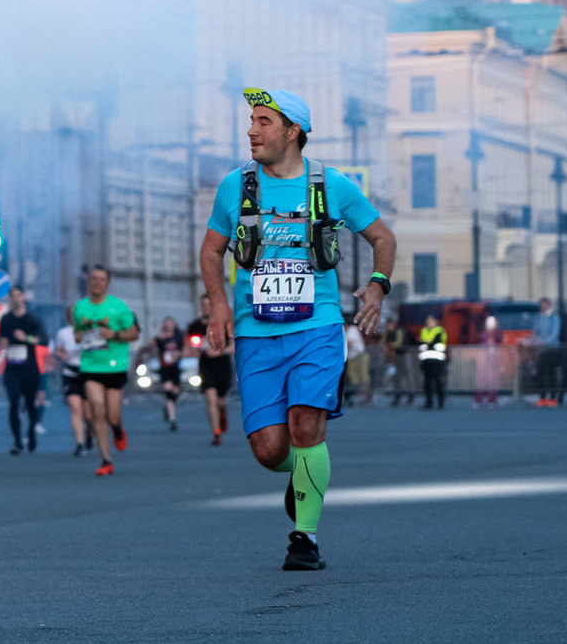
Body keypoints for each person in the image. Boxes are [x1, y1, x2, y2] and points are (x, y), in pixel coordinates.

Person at [198, 86, 395, 572]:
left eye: (263, 121)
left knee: (307, 425)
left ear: (293, 131)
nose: (251, 130)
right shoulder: (235, 186)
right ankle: (304, 472)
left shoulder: (331, 185)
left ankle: (304, 539)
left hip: (318, 326)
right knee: (270, 450)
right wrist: (218, 306)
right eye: (251, 121)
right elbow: (211, 250)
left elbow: (382, 237)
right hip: (256, 331)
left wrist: (377, 287)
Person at [69, 265, 140, 477]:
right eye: (94, 278)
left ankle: (117, 430)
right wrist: (78, 337)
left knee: (113, 417)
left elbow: (134, 333)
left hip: (115, 366)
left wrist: (114, 335)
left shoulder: (118, 307)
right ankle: (106, 459)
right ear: (88, 281)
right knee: (97, 409)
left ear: (107, 283)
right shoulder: (79, 307)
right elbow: (78, 333)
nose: (97, 283)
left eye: (101, 279)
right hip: (90, 365)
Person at [0, 285, 49, 453]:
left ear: (23, 297)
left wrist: (27, 338)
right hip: (12, 368)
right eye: (12, 295)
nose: (15, 298)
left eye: (18, 295)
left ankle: (31, 432)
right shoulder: (6, 319)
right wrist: (2, 343)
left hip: (30, 368)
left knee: (30, 403)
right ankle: (17, 442)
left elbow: (44, 340)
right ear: (9, 298)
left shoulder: (33, 320)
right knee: (14, 402)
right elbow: (1, 339)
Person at [49, 314, 95, 457]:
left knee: (88, 415)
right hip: (70, 373)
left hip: (88, 374)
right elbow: (58, 349)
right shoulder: (63, 333)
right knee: (75, 408)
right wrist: (62, 355)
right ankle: (79, 443)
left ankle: (89, 434)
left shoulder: (91, 331)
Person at [192, 294, 233, 445]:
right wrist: (197, 350)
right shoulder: (195, 326)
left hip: (222, 365)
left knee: (220, 401)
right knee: (210, 398)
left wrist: (220, 352)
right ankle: (216, 432)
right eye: (203, 305)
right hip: (206, 366)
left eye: (209, 305)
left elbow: (235, 346)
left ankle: (223, 412)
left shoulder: (224, 323)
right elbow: (191, 346)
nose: (206, 308)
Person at [152, 316, 186, 429]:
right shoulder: (160, 338)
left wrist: (178, 354)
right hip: (165, 368)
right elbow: (151, 346)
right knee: (168, 389)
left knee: (175, 392)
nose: (168, 325)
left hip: (175, 368)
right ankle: (172, 419)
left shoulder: (178, 337)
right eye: (166, 323)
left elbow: (183, 350)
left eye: (170, 322)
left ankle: (167, 407)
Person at [415, 315, 450, 410]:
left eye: (431, 321)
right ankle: (429, 402)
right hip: (426, 360)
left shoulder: (439, 330)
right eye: (428, 321)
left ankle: (440, 402)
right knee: (427, 382)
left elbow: (437, 342)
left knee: (438, 382)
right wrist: (428, 343)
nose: (429, 323)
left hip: (437, 360)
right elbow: (419, 342)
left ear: (435, 322)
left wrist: (427, 343)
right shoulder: (424, 330)